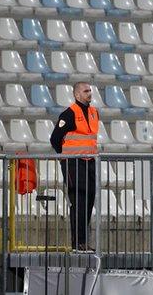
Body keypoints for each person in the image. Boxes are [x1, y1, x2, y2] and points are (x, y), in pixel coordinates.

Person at [50, 81, 99, 251]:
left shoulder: (94, 113)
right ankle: (77, 242)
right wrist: (65, 157)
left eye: (90, 91)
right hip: (73, 163)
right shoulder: (68, 114)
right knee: (78, 202)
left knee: (89, 200)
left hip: (90, 162)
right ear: (77, 95)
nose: (89, 94)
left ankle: (83, 241)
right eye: (86, 91)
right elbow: (55, 139)